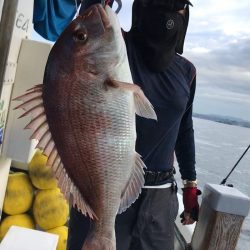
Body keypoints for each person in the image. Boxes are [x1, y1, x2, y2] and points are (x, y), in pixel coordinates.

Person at [32, 0, 200, 249]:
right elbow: (89, 22)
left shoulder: (187, 71)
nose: (170, 14)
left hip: (160, 199)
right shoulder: (117, 46)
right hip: (98, 199)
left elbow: (184, 130)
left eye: (178, 6)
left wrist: (190, 184)